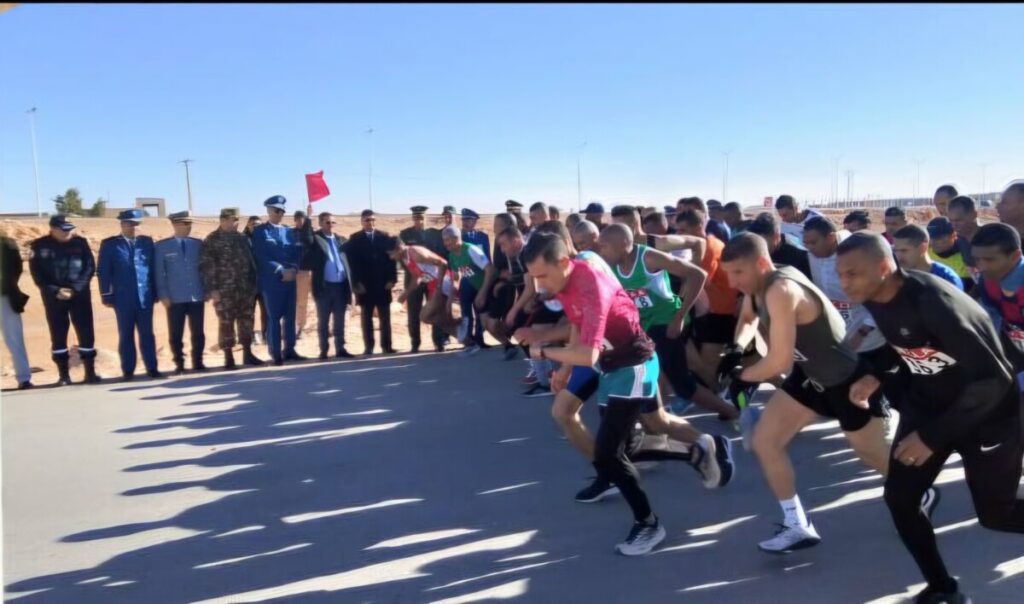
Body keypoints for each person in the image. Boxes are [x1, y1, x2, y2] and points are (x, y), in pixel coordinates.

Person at [836, 232, 1024, 604]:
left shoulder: (933, 301)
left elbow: (994, 378)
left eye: (852, 274)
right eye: (841, 275)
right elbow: (909, 342)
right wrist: (878, 372)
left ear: (884, 266)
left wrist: (932, 437)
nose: (844, 283)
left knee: (997, 515)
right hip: (931, 406)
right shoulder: (876, 295)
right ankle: (943, 589)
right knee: (901, 498)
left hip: (989, 412)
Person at [517, 231, 717, 555]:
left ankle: (649, 525)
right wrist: (565, 370)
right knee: (629, 446)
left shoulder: (590, 282)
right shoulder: (568, 275)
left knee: (610, 453)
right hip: (612, 366)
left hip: (632, 365)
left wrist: (544, 351)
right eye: (533, 277)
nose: (538, 286)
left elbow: (589, 355)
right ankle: (695, 452)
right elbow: (578, 322)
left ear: (564, 263)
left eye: (542, 275)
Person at [719, 233, 893, 554]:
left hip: (846, 381)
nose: (732, 283)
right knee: (764, 441)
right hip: (809, 376)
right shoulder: (757, 286)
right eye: (728, 274)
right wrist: (736, 347)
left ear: (760, 263)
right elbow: (747, 317)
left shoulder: (782, 289)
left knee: (872, 456)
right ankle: (797, 524)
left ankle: (916, 490)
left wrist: (744, 376)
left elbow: (779, 360)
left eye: (737, 273)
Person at [599, 223, 739, 423]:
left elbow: (698, 275)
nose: (601, 251)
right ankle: (658, 418)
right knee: (652, 372)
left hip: (666, 320)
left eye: (605, 246)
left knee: (681, 383)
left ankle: (733, 412)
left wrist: (680, 317)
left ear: (623, 244)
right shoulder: (611, 266)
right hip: (643, 323)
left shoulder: (648, 258)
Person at [28, 215, 100, 386]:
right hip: (54, 297)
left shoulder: (80, 243)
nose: (68, 232)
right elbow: (36, 274)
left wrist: (75, 289)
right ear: (52, 228)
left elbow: (89, 267)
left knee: (86, 332)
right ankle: (64, 376)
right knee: (58, 334)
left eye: (70, 229)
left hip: (79, 295)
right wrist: (56, 290)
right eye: (64, 229)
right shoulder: (39, 245)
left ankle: (89, 373)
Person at [98, 208, 162, 380]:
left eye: (136, 224)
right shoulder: (111, 245)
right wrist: (106, 294)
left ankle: (152, 368)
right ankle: (128, 370)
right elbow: (104, 272)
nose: (133, 227)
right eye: (129, 224)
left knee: (147, 334)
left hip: (144, 297)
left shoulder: (147, 243)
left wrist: (156, 292)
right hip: (122, 298)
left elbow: (153, 270)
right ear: (122, 225)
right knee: (126, 334)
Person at [200, 207, 264, 370]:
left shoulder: (242, 238)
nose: (236, 223)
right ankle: (228, 357)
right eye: (233, 220)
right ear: (223, 220)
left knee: (247, 321)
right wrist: (213, 289)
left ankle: (247, 353)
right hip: (224, 290)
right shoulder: (212, 240)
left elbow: (250, 262)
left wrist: (253, 284)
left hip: (245, 289)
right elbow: (207, 266)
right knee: (226, 322)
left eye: (237, 220)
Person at [251, 195, 309, 366]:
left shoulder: (288, 231)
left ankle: (289, 350)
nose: (279, 214)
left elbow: (296, 254)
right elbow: (261, 256)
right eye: (276, 210)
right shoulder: (261, 232)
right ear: (268, 211)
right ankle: (276, 353)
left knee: (290, 317)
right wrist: (280, 270)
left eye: (282, 211)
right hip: (272, 282)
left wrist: (294, 269)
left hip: (290, 280)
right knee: (274, 318)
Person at [154, 210, 207, 375]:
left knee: (198, 332)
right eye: (185, 224)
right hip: (175, 297)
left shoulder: (198, 244)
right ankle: (180, 363)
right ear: (175, 224)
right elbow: (159, 272)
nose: (189, 227)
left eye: (190, 224)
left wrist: (207, 289)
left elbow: (205, 269)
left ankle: (198, 362)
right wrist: (163, 294)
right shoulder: (162, 246)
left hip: (196, 295)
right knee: (176, 333)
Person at [302, 209, 355, 360]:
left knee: (339, 320)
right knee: (323, 320)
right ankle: (324, 350)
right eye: (327, 222)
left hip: (340, 286)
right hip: (324, 287)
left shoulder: (340, 240)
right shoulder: (316, 239)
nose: (330, 225)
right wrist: (308, 218)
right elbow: (306, 238)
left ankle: (340, 348)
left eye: (333, 222)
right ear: (320, 223)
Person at [345, 209, 399, 356]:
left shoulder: (384, 237)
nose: (370, 223)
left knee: (385, 318)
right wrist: (356, 283)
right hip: (365, 286)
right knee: (366, 318)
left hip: (382, 285)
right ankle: (369, 347)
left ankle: (387, 346)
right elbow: (352, 263)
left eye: (373, 220)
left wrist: (392, 280)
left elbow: (391, 261)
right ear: (362, 222)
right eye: (367, 220)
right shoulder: (355, 239)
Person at [971, 223, 1024, 373]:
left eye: (989, 260)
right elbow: (992, 321)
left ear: (1015, 256)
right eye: (977, 260)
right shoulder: (986, 281)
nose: (980, 267)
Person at [388, 236, 460, 340]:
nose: (391, 257)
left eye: (391, 254)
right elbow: (417, 278)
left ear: (399, 248)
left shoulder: (415, 253)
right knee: (433, 317)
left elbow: (443, 263)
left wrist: (439, 287)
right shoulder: (405, 258)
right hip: (433, 286)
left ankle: (461, 327)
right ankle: (464, 336)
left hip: (443, 284)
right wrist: (402, 297)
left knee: (425, 316)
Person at [400, 206, 446, 353]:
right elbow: (403, 256)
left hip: (432, 278)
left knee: (436, 308)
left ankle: (438, 341)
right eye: (416, 218)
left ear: (425, 217)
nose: (419, 221)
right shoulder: (405, 234)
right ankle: (415, 342)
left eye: (421, 218)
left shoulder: (434, 234)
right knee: (413, 311)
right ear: (413, 219)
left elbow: (440, 254)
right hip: (415, 278)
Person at [444, 225, 496, 355]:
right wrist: (450, 299)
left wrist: (483, 293)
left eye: (448, 240)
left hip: (483, 283)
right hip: (469, 283)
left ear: (457, 238)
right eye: (444, 240)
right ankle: (469, 341)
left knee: (480, 313)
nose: (445, 244)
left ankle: (479, 339)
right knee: (465, 310)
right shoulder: (452, 255)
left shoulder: (471, 250)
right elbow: (456, 278)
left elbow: (490, 270)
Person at [890, 225, 964, 290]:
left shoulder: (946, 278)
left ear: (923, 247)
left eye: (904, 250)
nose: (898, 256)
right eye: (895, 251)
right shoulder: (894, 277)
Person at [2, 234, 32, 389]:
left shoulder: (7, 243)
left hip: (6, 296)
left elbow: (17, 268)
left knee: (14, 339)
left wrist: (8, 285)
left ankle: (23, 378)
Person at [746, 212, 813, 279]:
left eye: (763, 243)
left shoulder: (799, 256)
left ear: (776, 237)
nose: (760, 248)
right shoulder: (755, 251)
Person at [926, 217, 975, 291]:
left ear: (953, 235)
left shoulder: (967, 256)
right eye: (930, 238)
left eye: (938, 238)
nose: (933, 242)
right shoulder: (924, 253)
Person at [244, 215, 268, 345]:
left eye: (258, 224)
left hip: (264, 282)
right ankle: (250, 337)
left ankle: (266, 335)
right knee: (249, 313)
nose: (256, 226)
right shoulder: (242, 240)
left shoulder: (265, 239)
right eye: (253, 224)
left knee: (267, 312)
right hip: (248, 283)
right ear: (248, 225)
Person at [293, 210, 315, 341]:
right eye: (298, 219)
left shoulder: (311, 233)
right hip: (300, 272)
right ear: (295, 220)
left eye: (303, 219)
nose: (300, 221)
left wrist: (309, 217)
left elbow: (310, 241)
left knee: (321, 300)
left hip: (314, 271)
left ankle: (326, 326)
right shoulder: (291, 234)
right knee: (301, 301)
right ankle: (300, 328)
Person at [946, 195, 981, 273]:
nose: (954, 225)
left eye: (959, 220)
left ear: (974, 214)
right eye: (951, 221)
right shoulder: (958, 239)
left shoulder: (991, 237)